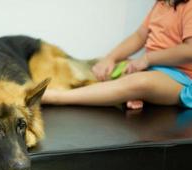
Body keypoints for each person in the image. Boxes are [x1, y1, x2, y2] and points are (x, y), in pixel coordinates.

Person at [42, 0, 192, 110]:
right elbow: (140, 36)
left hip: (181, 78)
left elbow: (189, 50)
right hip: (152, 68)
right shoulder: (161, 3)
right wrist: (110, 58)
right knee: (103, 67)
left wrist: (147, 59)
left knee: (140, 82)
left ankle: (57, 97)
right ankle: (133, 94)